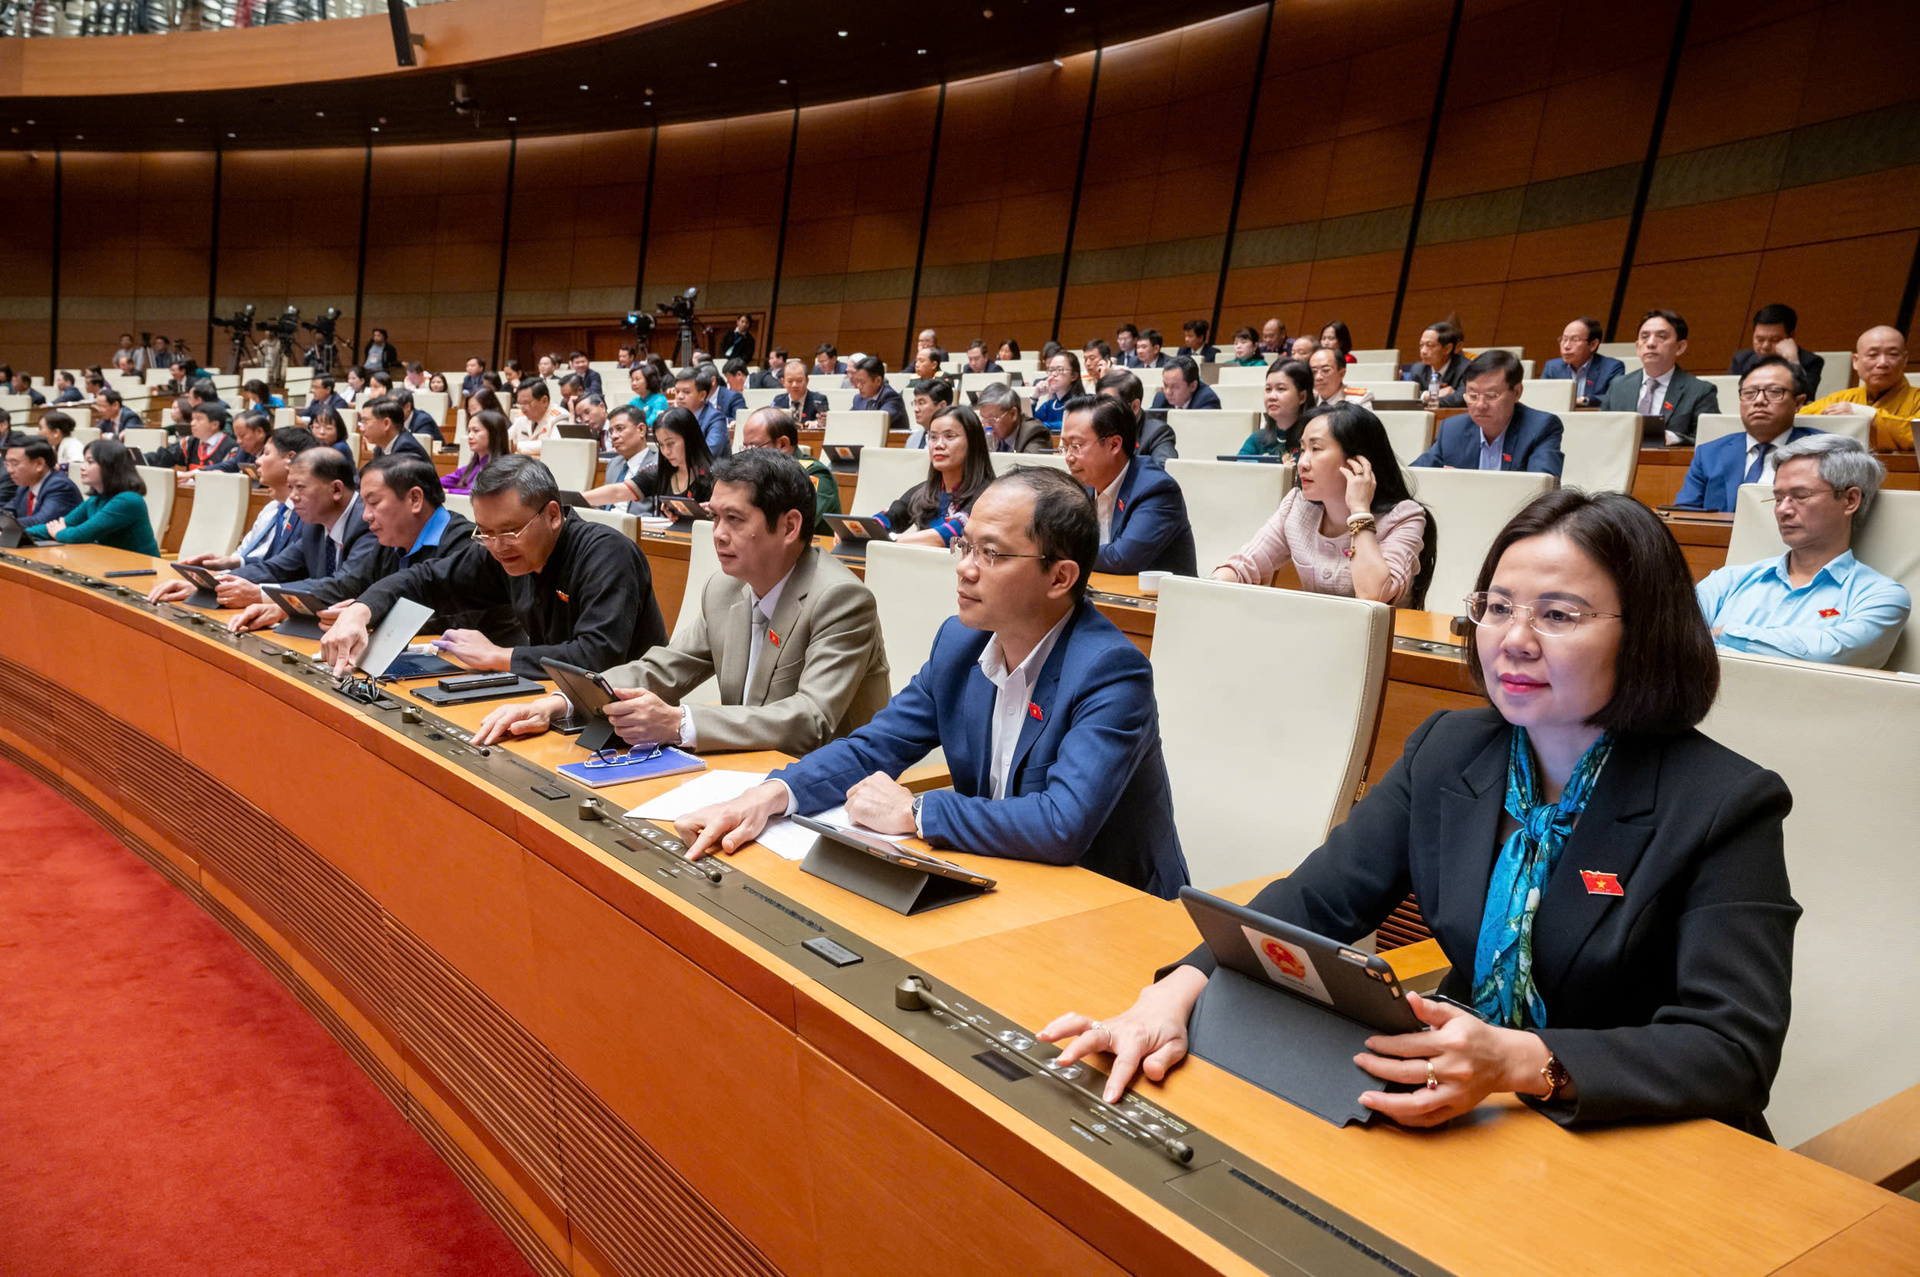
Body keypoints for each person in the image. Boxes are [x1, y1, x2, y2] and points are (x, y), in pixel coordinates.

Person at [1044, 489, 1797, 1136]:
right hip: (1469, 1111)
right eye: (1497, 607)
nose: (1514, 640)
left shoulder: (1723, 802)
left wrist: (1522, 1061)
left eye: (1559, 615)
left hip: (1638, 1138)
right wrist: (1170, 993)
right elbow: (1313, 901)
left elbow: (1732, 1046)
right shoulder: (1451, 749)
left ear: (1646, 634)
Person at [672, 466, 1190, 897]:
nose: (965, 569)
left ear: (1061, 578)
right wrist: (772, 794)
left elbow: (1062, 824)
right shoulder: (959, 645)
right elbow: (874, 746)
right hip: (999, 877)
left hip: (1107, 903)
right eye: (964, 546)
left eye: (991, 554)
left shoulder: (1109, 671)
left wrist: (915, 811)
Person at [476, 448, 888, 755]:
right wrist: (561, 702)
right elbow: (663, 668)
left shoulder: (840, 599)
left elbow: (811, 720)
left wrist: (679, 722)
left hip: (831, 785)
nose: (717, 533)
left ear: (789, 525)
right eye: (715, 517)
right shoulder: (723, 589)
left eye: (735, 519)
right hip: (746, 769)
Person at [320, 456, 669, 679]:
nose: (497, 546)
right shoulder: (499, 549)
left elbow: (597, 656)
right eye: (484, 532)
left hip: (631, 716)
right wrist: (360, 612)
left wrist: (499, 656)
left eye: (509, 531)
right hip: (554, 698)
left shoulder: (607, 554)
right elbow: (425, 580)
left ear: (552, 515)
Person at [227, 453, 517, 640]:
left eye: (374, 503)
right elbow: (344, 586)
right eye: (364, 504)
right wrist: (290, 606)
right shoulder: (390, 542)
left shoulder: (467, 542)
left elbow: (453, 621)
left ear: (415, 500)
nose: (365, 516)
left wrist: (366, 616)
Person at [1696, 435, 1909, 668]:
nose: (1783, 510)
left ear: (1850, 500)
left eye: (1800, 496)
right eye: (1778, 498)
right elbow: (1672, 640)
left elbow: (1828, 655)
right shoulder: (1727, 581)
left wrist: (1723, 634)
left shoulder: (1881, 596)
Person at [1217, 403, 1433, 606]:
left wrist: (1359, 510)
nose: (1302, 463)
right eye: (1302, 450)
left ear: (1358, 461)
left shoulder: (1404, 517)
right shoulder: (1297, 507)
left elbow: (1373, 595)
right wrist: (1209, 585)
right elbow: (1244, 567)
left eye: (1316, 449)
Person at [151, 447, 376, 609]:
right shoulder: (315, 525)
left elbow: (344, 586)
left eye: (300, 488)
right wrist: (210, 584)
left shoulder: (368, 522)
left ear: (336, 490)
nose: (293, 497)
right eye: (290, 487)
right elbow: (274, 569)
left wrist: (259, 594)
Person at [1062, 395, 1196, 576]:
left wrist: (1060, 551)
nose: (1068, 457)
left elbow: (1122, 558)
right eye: (1065, 446)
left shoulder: (1157, 489)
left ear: (1114, 444)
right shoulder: (1080, 486)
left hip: (1157, 600)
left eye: (1076, 445)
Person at [1674, 357, 1823, 512]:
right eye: (1749, 393)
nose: (1759, 400)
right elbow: (1683, 513)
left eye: (1774, 392)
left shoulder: (1822, 452)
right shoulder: (1708, 454)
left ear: (1798, 402)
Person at [1413, 349, 1565, 476]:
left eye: (1491, 396)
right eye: (1472, 396)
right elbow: (1413, 476)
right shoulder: (1452, 429)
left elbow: (1542, 491)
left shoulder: (1541, 428)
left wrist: (1468, 483)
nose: (1480, 405)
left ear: (1517, 392)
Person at [185, 426, 314, 569]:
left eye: (266, 453)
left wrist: (225, 578)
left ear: (290, 459)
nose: (257, 461)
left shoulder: (307, 517)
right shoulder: (271, 510)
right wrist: (223, 566)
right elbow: (243, 556)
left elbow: (282, 570)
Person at [871, 404, 993, 547]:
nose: (938, 445)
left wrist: (890, 539)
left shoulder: (989, 494)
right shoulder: (924, 490)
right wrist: (863, 530)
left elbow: (949, 535)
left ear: (973, 442)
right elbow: (889, 518)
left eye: (949, 436)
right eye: (933, 437)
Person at [1602, 309, 1720, 445]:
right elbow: (1601, 429)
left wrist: (1674, 438)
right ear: (1637, 347)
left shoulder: (1700, 391)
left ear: (1680, 347)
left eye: (1661, 337)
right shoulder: (1618, 385)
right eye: (1644, 337)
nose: (1651, 343)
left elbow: (1711, 439)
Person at [1797, 325, 1920, 451]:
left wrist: (1865, 414)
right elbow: (1798, 419)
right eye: (1873, 355)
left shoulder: (1917, 399)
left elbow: (1915, 435)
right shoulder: (1842, 399)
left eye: (1893, 354)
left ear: (1905, 360)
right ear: (1856, 361)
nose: (1882, 363)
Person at [40, 440, 161, 555]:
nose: (82, 467)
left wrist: (59, 533)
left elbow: (79, 535)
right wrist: (24, 535)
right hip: (112, 565)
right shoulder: (96, 499)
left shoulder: (128, 500)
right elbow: (61, 524)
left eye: (90, 462)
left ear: (110, 466)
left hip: (142, 572)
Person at [740, 407, 842, 535]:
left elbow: (795, 527)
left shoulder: (814, 474)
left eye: (754, 447)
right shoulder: (756, 475)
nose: (748, 455)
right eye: (745, 447)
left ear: (782, 444)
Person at [616, 406, 714, 508]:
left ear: (689, 438)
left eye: (670, 443)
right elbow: (618, 492)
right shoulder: (661, 472)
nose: (666, 452)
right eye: (661, 445)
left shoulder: (715, 477)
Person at [570, 404, 656, 512]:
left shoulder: (657, 464)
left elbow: (659, 515)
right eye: (611, 431)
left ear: (641, 430)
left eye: (620, 429)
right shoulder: (614, 464)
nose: (614, 436)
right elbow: (602, 506)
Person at [1730, 304, 1823, 399]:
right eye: (1760, 339)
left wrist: (1793, 362)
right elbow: (1729, 396)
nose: (1765, 346)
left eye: (1774, 340)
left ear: (1790, 337)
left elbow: (1806, 398)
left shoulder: (1810, 361)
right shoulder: (1741, 360)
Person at [1094, 369, 1177, 461]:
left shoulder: (1157, 433)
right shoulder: (1095, 428)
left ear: (1134, 407)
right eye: (1100, 404)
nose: (1102, 412)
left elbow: (1163, 471)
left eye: (1110, 406)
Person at [1542, 316, 1625, 407]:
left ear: (1593, 345)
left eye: (1575, 340)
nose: (1566, 346)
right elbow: (1541, 395)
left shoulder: (1612, 367)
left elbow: (1615, 397)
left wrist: (1584, 400)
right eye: (1564, 339)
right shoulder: (1552, 367)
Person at [1238, 359, 1313, 458]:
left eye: (1281, 389)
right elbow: (1238, 469)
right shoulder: (1257, 438)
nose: (1272, 396)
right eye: (1268, 389)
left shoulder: (1315, 440)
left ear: (1302, 397)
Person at [4, 437, 82, 529]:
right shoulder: (24, 487)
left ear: (39, 464)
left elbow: (41, 522)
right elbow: (7, 513)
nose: (9, 470)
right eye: (7, 464)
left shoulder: (60, 486)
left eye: (14, 464)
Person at [146, 403, 239, 471]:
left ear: (214, 424)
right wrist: (140, 458)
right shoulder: (190, 442)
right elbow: (164, 457)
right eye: (192, 419)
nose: (192, 424)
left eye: (198, 419)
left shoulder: (231, 448)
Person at [445, 409, 511, 496]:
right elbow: (436, 483)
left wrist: (449, 492)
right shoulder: (470, 468)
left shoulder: (505, 469)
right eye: (469, 431)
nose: (470, 436)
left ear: (493, 434)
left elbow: (484, 493)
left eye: (476, 431)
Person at [1403, 319, 1469, 406]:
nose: (1423, 351)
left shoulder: (1466, 368)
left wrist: (1425, 398)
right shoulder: (1418, 369)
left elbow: (1461, 399)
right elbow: (1409, 397)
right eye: (1421, 345)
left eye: (1429, 345)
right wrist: (1431, 395)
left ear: (1447, 348)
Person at [974, 381, 1051, 454]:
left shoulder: (1034, 433)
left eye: (992, 420)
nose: (987, 426)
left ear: (1013, 414)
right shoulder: (987, 434)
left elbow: (1029, 466)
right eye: (984, 419)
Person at [676, 365, 732, 457]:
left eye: (686, 392)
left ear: (702, 395)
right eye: (677, 391)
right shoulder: (675, 416)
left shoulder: (715, 418)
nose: (680, 397)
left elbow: (709, 453)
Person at [357, 396, 429, 464]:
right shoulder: (380, 447)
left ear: (386, 424)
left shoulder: (406, 449)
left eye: (365, 421)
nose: (361, 429)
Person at [847, 356, 909, 433]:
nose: (858, 386)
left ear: (878, 381)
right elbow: (848, 420)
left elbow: (878, 422)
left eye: (863, 382)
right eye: (857, 381)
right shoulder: (858, 399)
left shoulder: (891, 397)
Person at [1028, 351, 1086, 430]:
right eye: (1051, 370)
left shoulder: (1082, 404)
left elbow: (1066, 425)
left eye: (1059, 369)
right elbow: (1027, 422)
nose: (1053, 374)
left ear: (1074, 376)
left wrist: (1037, 426)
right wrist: (1035, 397)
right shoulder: (1049, 405)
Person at [509, 379, 568, 455]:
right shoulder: (522, 416)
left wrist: (517, 446)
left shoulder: (560, 417)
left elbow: (554, 446)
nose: (522, 409)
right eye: (520, 404)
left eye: (526, 403)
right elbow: (508, 439)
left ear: (544, 401)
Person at [207, 407, 272, 474]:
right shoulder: (246, 449)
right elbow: (232, 465)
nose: (238, 441)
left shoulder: (275, 450)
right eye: (236, 437)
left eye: (242, 436)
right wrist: (202, 470)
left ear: (259, 432)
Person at [1309, 347, 1375, 410]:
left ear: (1341, 373)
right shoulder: (1307, 400)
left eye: (1325, 370)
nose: (1318, 377)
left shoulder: (1358, 400)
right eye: (1313, 372)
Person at [1149, 356, 1222, 413]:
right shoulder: (1160, 399)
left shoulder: (1207, 401)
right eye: (1165, 385)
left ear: (1193, 386)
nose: (1168, 392)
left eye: (1175, 387)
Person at [772, 359, 828, 424]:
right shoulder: (778, 401)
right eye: (790, 381)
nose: (794, 385)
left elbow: (825, 421)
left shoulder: (818, 400)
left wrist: (816, 423)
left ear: (807, 381)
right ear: (783, 382)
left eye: (799, 381)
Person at [908, 377, 953, 448]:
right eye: (915, 403)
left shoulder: (951, 440)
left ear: (942, 406)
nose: (916, 409)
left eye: (921, 403)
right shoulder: (912, 439)